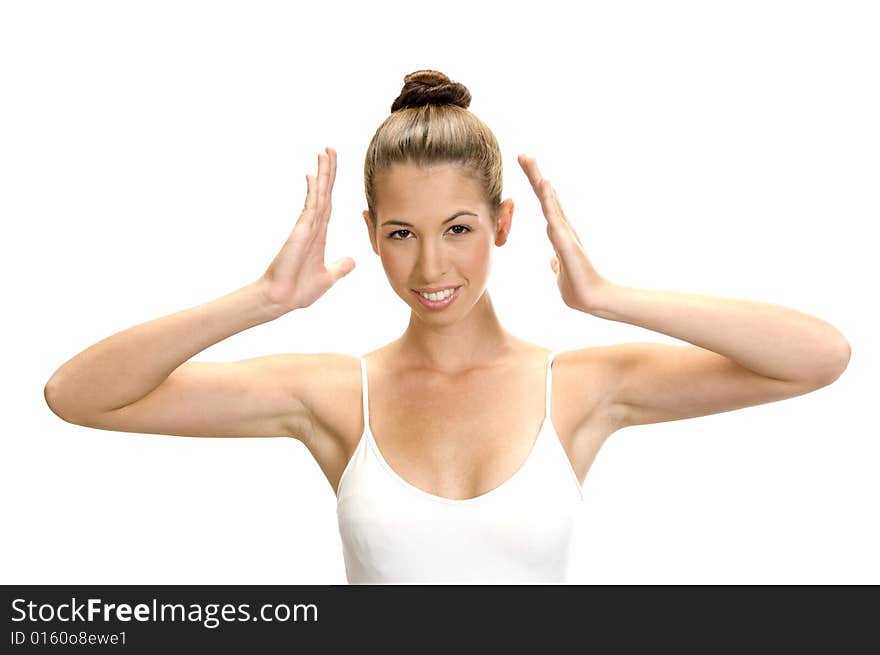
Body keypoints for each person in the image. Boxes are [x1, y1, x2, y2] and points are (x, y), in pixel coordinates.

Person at [43, 69, 851, 585]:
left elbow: (819, 356)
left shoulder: (579, 389)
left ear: (503, 223)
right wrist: (262, 300)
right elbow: (78, 395)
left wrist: (607, 296)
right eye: (402, 233)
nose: (432, 267)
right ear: (371, 233)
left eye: (458, 228)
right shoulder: (333, 394)